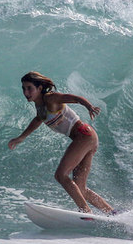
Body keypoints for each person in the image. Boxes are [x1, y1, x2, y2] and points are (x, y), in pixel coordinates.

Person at [8, 71, 115, 214]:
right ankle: (111, 212)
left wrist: (89, 106)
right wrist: (21, 137)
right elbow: (38, 119)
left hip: (84, 136)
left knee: (61, 175)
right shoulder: (40, 106)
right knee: (80, 187)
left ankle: (86, 213)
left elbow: (75, 98)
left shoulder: (51, 98)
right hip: (87, 137)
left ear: (39, 88)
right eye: (23, 88)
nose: (26, 92)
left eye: (29, 88)